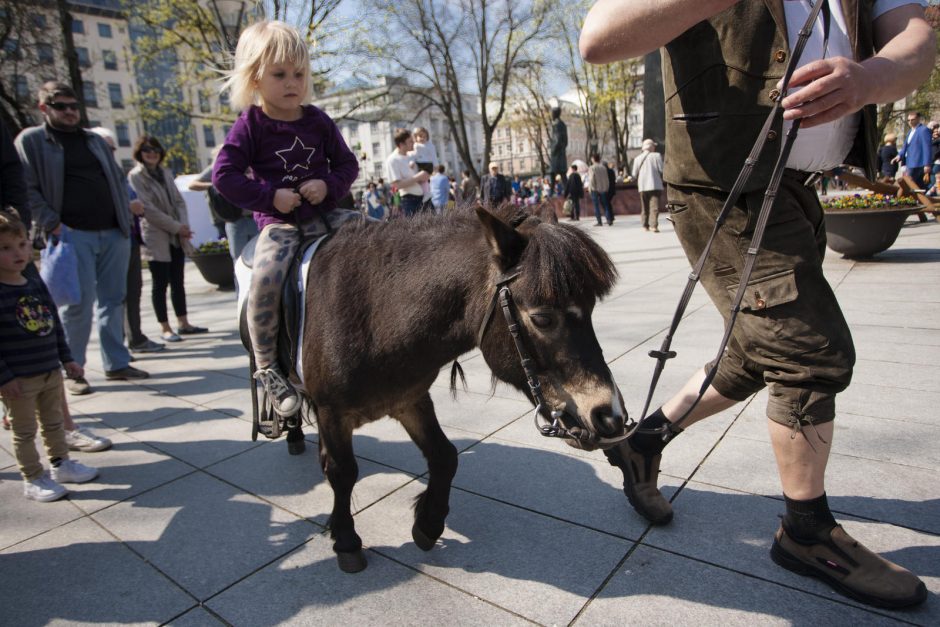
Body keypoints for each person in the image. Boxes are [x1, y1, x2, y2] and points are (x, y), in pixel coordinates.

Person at [581, 0, 934, 608]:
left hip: (793, 184)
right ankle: (805, 531)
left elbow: (917, 37)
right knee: (807, 352)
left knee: (754, 353)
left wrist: (871, 76)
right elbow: (599, 37)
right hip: (724, 185)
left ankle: (643, 441)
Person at [213, 20, 360, 417]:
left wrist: (327, 184)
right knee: (267, 277)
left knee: (381, 241)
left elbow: (348, 165)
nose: (291, 83)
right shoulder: (251, 124)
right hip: (278, 225)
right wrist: (268, 197)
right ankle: (267, 368)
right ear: (255, 78)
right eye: (279, 74)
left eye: (299, 73)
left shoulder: (317, 120)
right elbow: (223, 176)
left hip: (326, 215)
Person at [15, 82, 148, 395]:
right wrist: (53, 224)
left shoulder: (93, 140)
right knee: (76, 304)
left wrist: (125, 219)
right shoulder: (32, 141)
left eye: (74, 105)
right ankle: (73, 369)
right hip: (73, 235)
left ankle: (116, 362)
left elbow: (116, 180)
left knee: (114, 300)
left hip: (113, 232)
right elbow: (26, 188)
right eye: (61, 106)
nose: (70, 111)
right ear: (44, 107)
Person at [0, 209, 98, 502]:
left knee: (54, 422)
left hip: (49, 371)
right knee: (24, 431)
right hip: (19, 379)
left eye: (21, 244)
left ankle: (60, 464)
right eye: (5, 248)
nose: (17, 253)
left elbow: (52, 322)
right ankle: (33, 477)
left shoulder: (33, 282)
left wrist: (67, 359)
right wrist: (4, 378)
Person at [89, 127, 164, 354]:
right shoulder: (90, 176)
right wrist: (127, 207)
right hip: (105, 241)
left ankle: (135, 338)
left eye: (112, 148)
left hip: (128, 239)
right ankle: (115, 351)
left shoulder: (118, 173)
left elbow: (137, 204)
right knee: (111, 300)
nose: (110, 152)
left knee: (132, 293)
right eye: (106, 147)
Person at [128, 136, 208, 343]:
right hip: (156, 235)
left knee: (178, 281)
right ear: (139, 152)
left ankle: (184, 323)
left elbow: (179, 201)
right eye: (146, 149)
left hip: (176, 235)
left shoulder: (165, 172)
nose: (151, 153)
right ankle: (165, 327)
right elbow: (147, 209)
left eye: (155, 149)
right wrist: (176, 226)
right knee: (160, 283)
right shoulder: (136, 176)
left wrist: (182, 225)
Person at [189, 153, 259, 261]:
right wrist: (217, 185)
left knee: (258, 255)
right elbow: (193, 184)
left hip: (255, 216)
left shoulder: (250, 164)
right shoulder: (220, 166)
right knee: (239, 258)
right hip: (234, 218)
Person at [385, 128, 429, 218]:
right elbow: (396, 185)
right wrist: (418, 177)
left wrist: (424, 176)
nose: (414, 143)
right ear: (401, 144)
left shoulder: (411, 155)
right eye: (410, 141)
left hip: (423, 198)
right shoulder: (392, 160)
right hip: (409, 201)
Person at [632, 139, 665, 232]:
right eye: (654, 146)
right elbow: (661, 169)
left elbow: (634, 174)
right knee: (654, 206)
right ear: (651, 147)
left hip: (642, 186)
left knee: (644, 206)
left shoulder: (637, 158)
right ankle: (653, 225)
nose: (655, 147)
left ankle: (644, 225)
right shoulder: (657, 156)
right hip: (655, 185)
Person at [895, 110, 933, 189]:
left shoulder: (923, 130)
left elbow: (927, 148)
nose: (910, 122)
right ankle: (915, 200)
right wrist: (899, 155)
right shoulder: (910, 131)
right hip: (909, 162)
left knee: (910, 184)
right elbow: (905, 145)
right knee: (915, 185)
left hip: (918, 163)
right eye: (908, 120)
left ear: (918, 119)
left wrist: (927, 164)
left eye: (913, 120)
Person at [410, 126, 437, 208]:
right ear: (415, 137)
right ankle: (426, 192)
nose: (422, 138)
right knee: (422, 180)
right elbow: (413, 156)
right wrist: (412, 162)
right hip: (420, 164)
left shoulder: (428, 145)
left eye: (424, 137)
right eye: (420, 136)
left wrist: (435, 165)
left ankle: (426, 193)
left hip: (426, 164)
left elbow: (433, 156)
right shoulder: (415, 145)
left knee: (423, 180)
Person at [586, 154, 612, 226]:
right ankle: (609, 219)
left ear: (593, 159)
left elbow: (591, 179)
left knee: (596, 206)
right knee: (605, 205)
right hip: (603, 188)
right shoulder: (603, 167)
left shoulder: (592, 168)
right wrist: (606, 187)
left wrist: (591, 188)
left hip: (595, 189)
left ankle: (599, 221)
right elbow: (607, 179)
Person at [549, 107, 568, 183]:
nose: (551, 115)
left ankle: (552, 191)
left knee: (552, 172)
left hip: (556, 152)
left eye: (552, 113)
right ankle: (567, 190)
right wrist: (563, 147)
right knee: (562, 173)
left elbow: (558, 138)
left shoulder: (556, 124)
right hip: (561, 151)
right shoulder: (563, 124)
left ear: (555, 114)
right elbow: (566, 140)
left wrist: (553, 150)